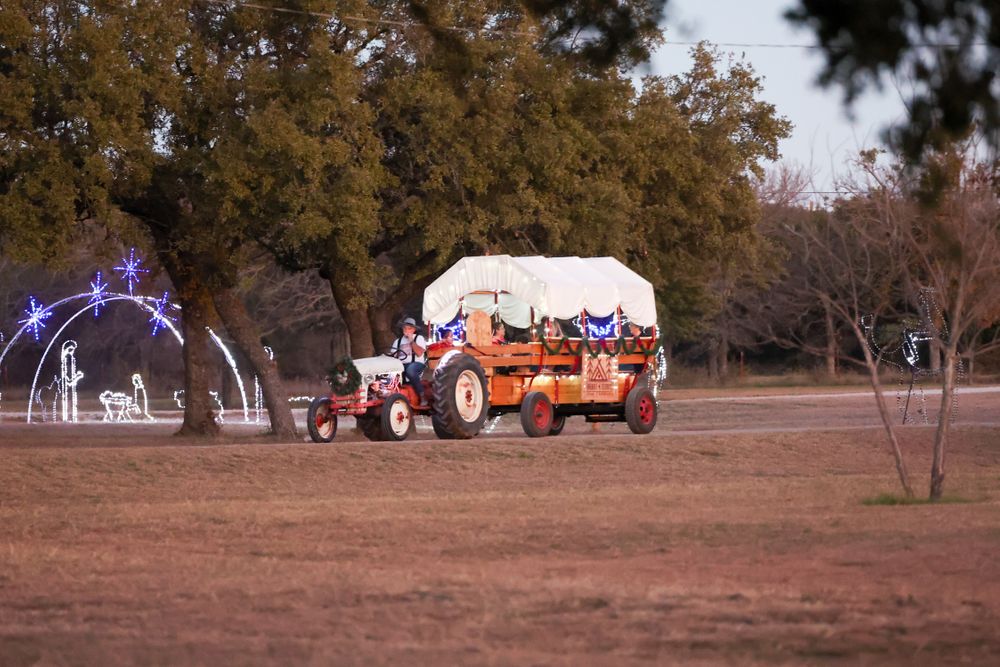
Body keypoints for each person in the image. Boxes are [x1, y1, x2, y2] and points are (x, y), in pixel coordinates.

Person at [389, 317, 428, 405]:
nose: (407, 330)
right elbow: (393, 356)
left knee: (410, 370)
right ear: (402, 329)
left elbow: (419, 353)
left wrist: (411, 340)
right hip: (401, 365)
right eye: (405, 328)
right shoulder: (397, 341)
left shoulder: (419, 338)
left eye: (409, 328)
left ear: (414, 330)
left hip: (416, 364)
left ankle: (422, 395)